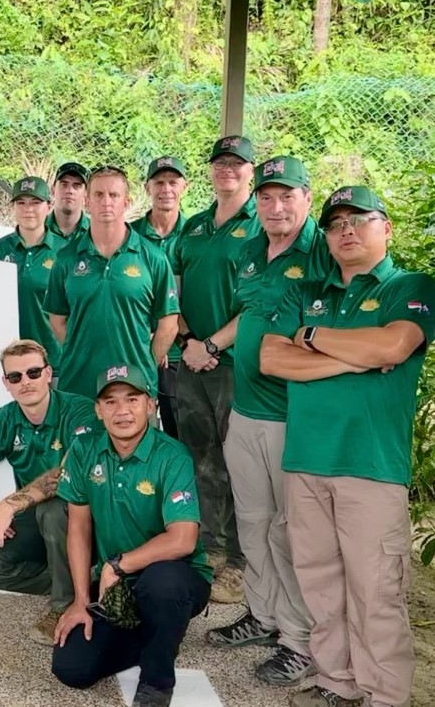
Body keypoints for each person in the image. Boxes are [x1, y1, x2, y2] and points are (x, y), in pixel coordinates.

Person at [260, 186, 435, 707]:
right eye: (336, 224)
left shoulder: (410, 284)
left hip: (371, 465)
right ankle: (337, 682)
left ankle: (384, 696)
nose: (346, 231)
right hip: (307, 461)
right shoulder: (305, 293)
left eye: (360, 220)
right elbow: (272, 359)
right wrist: (351, 353)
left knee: (375, 591)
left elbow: (394, 344)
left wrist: (310, 340)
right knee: (320, 583)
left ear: (387, 228)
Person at [205, 156, 330, 686]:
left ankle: (300, 641)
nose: (276, 207)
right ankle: (264, 614)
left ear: (307, 198)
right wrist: (214, 343)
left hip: (291, 417)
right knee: (252, 522)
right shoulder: (252, 250)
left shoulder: (322, 253)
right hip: (246, 409)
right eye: (267, 197)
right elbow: (251, 316)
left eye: (287, 196)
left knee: (289, 532)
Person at [52, 364, 212, 707]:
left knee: (162, 582)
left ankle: (156, 682)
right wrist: (81, 600)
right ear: (98, 410)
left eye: (132, 399)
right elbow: (78, 528)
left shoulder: (172, 456)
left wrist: (116, 566)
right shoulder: (84, 450)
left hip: (175, 577)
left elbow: (183, 539)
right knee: (72, 668)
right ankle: (158, 634)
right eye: (110, 402)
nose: (122, 410)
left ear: (150, 404)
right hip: (117, 587)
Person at [0, 340, 98, 645]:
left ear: (48, 373)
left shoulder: (80, 410)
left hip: (90, 519)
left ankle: (63, 606)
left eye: (33, 372)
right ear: (6, 384)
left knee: (51, 510)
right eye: (15, 377)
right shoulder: (6, 419)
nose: (26, 382)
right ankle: (86, 581)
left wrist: (10, 504)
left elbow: (66, 475)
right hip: (41, 523)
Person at [169, 135, 261, 603]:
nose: (227, 170)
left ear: (251, 171)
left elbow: (260, 304)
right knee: (200, 458)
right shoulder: (195, 227)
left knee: (240, 464)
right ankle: (212, 550)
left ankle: (244, 563)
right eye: (220, 163)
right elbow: (173, 292)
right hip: (191, 361)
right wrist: (188, 342)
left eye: (236, 163)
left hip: (233, 364)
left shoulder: (260, 226)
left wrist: (212, 344)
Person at [46, 167, 179, 400]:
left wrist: (145, 364)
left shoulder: (153, 257)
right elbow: (57, 319)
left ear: (126, 202)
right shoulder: (67, 258)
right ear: (87, 201)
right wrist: (82, 347)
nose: (106, 202)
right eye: (98, 195)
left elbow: (169, 325)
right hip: (79, 384)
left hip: (134, 387)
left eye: (114, 195)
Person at [130, 156, 190, 439]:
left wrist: (170, 338)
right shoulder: (129, 234)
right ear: (147, 187)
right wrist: (154, 339)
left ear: (184, 187)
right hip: (138, 349)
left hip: (182, 353)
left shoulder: (195, 233)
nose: (166, 189)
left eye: (173, 182)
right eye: (159, 182)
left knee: (181, 433)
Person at [0, 177, 68, 376]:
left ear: (49, 206)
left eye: (35, 202)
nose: (27, 209)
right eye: (21, 203)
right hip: (8, 362)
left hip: (53, 362)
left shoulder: (65, 252)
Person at [46, 162, 91, 242]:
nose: (70, 191)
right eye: (64, 185)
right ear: (53, 190)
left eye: (76, 186)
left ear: (86, 194)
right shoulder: (36, 229)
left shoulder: (98, 232)